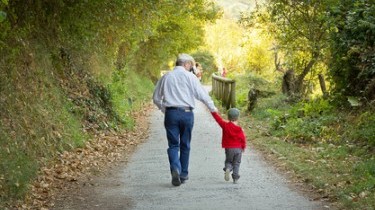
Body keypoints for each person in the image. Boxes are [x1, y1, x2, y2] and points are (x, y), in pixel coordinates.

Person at [153, 53, 217, 186]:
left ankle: (175, 168)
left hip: (171, 113)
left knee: (173, 145)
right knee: (185, 144)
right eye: (191, 65)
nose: (191, 67)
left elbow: (156, 98)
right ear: (186, 64)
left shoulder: (166, 77)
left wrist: (165, 109)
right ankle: (183, 174)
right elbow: (202, 95)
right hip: (187, 113)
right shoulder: (191, 77)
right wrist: (213, 109)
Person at [211, 108, 246, 184]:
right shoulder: (239, 129)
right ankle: (235, 178)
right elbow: (243, 139)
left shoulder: (225, 125)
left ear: (228, 117)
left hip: (229, 148)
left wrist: (213, 111)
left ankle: (228, 168)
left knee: (228, 161)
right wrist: (243, 147)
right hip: (238, 149)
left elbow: (218, 119)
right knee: (237, 163)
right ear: (237, 117)